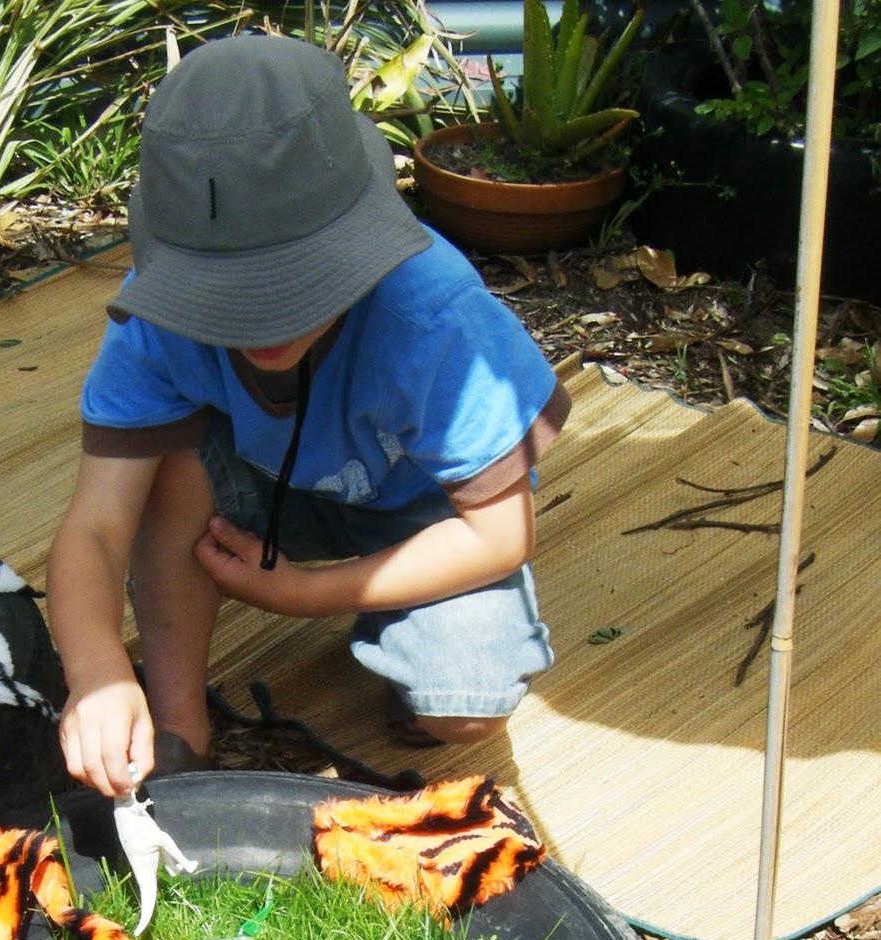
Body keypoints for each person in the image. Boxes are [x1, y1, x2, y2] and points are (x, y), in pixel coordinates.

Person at [45, 31, 571, 798]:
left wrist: (306, 594)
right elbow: (94, 527)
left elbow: (501, 534)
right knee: (166, 463)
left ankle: (392, 632)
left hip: (422, 511)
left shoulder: (434, 316)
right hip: (258, 490)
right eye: (229, 299)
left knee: (467, 702)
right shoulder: (154, 321)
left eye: (294, 289)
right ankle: (180, 727)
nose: (264, 326)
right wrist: (95, 672)